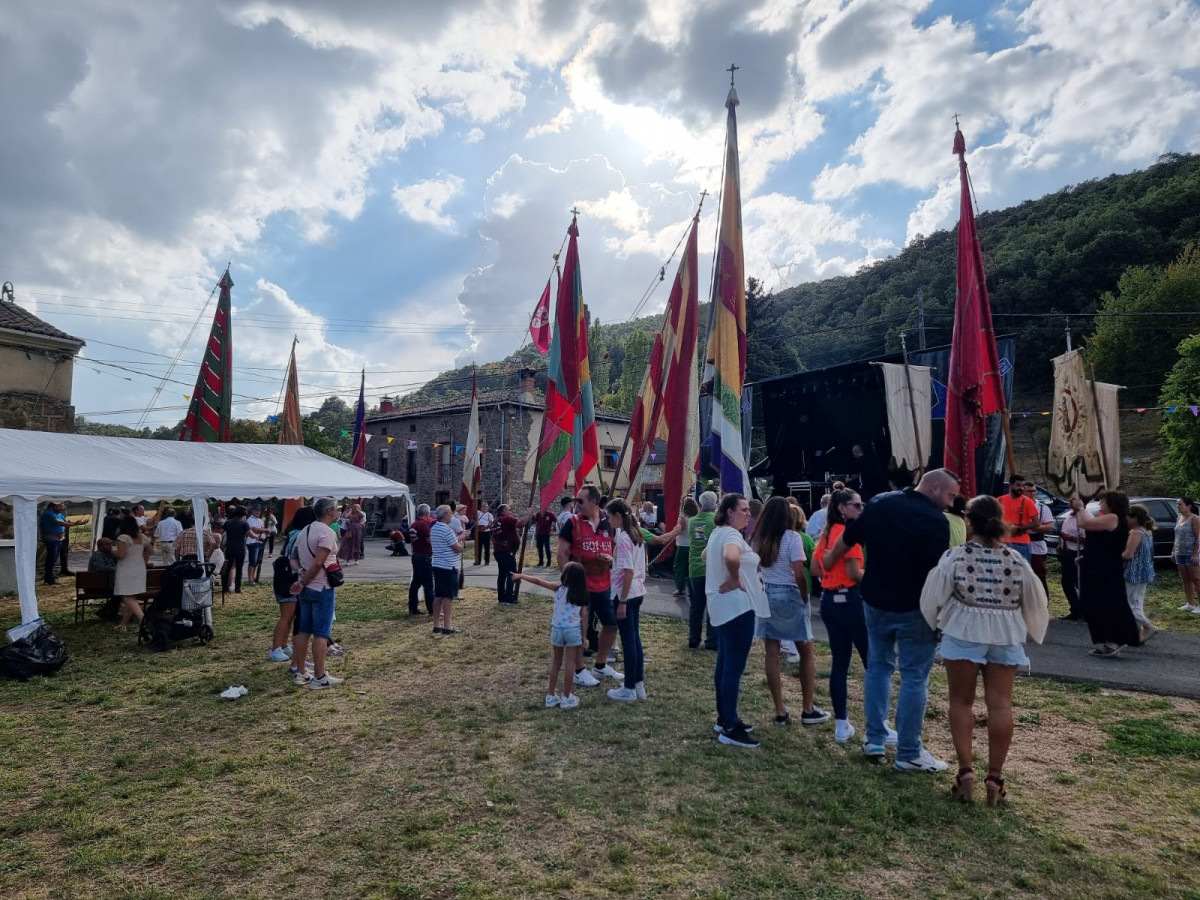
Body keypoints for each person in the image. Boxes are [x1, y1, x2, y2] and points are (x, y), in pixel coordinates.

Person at [823, 468, 959, 772]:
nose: (951, 503)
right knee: (913, 676)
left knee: (878, 667)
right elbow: (937, 574)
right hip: (914, 608)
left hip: (874, 602)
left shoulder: (880, 503)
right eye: (950, 495)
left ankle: (874, 737)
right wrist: (941, 616)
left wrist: (831, 558)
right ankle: (909, 751)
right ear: (935, 489)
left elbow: (850, 535)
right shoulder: (936, 521)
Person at [920, 495, 1049, 806]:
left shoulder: (956, 556)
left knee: (961, 702)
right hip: (1005, 634)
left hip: (963, 630)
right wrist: (1028, 627)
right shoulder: (1015, 559)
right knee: (1001, 704)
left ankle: (965, 774)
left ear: (968, 521)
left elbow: (932, 597)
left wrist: (936, 621)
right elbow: (1036, 601)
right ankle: (995, 778)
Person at [752, 496, 828, 727]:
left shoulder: (758, 539)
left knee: (771, 653)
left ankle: (780, 710)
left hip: (767, 595)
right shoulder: (792, 538)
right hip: (789, 594)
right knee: (806, 651)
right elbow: (798, 572)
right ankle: (807, 708)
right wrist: (804, 596)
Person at [705, 493, 769, 748]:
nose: (748, 514)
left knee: (724, 664)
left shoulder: (718, 533)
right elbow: (730, 557)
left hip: (722, 607)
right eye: (743, 509)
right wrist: (734, 577)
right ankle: (729, 726)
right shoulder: (731, 535)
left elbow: (706, 557)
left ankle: (725, 718)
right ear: (729, 511)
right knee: (733, 667)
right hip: (736, 607)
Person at [810, 487, 873, 744]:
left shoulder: (826, 535)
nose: (861, 509)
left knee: (840, 663)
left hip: (828, 600)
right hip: (850, 600)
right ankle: (876, 725)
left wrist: (830, 574)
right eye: (857, 505)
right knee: (873, 663)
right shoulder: (850, 535)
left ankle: (841, 725)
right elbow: (855, 573)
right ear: (842, 508)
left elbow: (815, 567)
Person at [557, 485, 619, 686]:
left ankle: (600, 665)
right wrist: (568, 580)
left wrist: (608, 559)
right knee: (579, 631)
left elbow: (614, 548)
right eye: (575, 501)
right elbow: (562, 553)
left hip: (604, 583)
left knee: (611, 625)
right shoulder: (572, 523)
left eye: (580, 501)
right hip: (581, 586)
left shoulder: (608, 521)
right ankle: (579, 670)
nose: (576, 504)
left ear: (593, 501)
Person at [1071, 490, 1141, 656]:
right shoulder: (1107, 518)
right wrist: (1085, 557)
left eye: (1103, 501)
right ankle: (1106, 640)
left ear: (1111, 503)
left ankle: (1115, 640)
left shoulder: (1113, 518)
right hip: (1096, 564)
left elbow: (1085, 524)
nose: (1100, 503)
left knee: (1107, 602)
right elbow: (1100, 542)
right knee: (1092, 603)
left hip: (1106, 568)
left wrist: (1080, 508)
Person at [514, 562, 588, 709]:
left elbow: (538, 581)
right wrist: (584, 636)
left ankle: (550, 695)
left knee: (556, 662)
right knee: (570, 664)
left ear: (565, 576)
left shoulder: (558, 588)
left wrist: (521, 575)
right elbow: (584, 617)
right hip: (572, 631)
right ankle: (567, 697)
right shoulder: (583, 594)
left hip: (557, 630)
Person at [287, 497, 343, 689]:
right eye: (336, 509)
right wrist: (303, 580)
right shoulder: (326, 532)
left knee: (303, 630)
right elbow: (319, 562)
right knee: (321, 633)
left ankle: (301, 672)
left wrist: (301, 574)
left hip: (307, 589)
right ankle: (320, 676)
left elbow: (293, 559)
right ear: (329, 511)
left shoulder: (305, 530)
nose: (338, 512)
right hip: (321, 587)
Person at [604, 499, 648, 702]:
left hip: (626, 594)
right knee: (634, 640)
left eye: (609, 516)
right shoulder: (635, 533)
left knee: (629, 641)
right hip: (637, 592)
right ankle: (637, 683)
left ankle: (629, 688)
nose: (607, 520)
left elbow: (628, 571)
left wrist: (622, 601)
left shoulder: (623, 538)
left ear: (618, 516)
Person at [270, 505, 317, 663]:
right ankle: (275, 648)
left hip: (286, 578)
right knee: (287, 616)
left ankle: (283, 645)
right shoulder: (301, 536)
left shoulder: (294, 533)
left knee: (290, 617)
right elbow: (295, 559)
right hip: (289, 580)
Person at [686, 491, 720, 651]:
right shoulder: (716, 522)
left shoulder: (692, 521)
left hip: (694, 567)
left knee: (696, 607)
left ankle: (694, 639)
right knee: (713, 607)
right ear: (715, 504)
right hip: (712, 569)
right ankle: (712, 641)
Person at [1123, 504, 1160, 643]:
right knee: (1137, 603)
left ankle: (1148, 626)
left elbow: (1128, 554)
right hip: (1144, 571)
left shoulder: (1135, 532)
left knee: (1129, 604)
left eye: (1127, 516)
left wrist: (1114, 556)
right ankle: (1138, 633)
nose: (1125, 519)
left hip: (1134, 571)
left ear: (1134, 518)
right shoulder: (1147, 531)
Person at [113, 514, 153, 633]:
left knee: (125, 595)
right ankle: (123, 624)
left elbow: (121, 555)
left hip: (126, 567)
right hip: (139, 567)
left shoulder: (123, 538)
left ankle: (143, 620)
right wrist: (144, 559)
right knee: (132, 596)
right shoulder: (142, 537)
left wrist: (110, 550)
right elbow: (151, 550)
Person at [431, 505, 465, 634]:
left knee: (438, 595)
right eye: (451, 513)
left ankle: (436, 625)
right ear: (444, 515)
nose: (452, 515)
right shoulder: (447, 529)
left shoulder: (434, 528)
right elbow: (457, 548)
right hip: (448, 567)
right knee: (448, 597)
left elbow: (449, 542)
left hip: (438, 565)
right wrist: (462, 542)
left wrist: (461, 537)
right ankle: (447, 626)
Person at [39, 501, 87, 585]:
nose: (62, 508)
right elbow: (61, 523)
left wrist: (80, 523)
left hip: (58, 539)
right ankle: (48, 578)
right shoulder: (48, 514)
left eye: (62, 506)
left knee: (54, 558)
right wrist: (75, 524)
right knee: (51, 558)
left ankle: (50, 574)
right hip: (51, 539)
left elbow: (66, 522)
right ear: (52, 506)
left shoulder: (59, 513)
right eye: (59, 506)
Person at [491, 504, 529, 604]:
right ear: (503, 511)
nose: (510, 511)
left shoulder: (495, 522)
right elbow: (521, 523)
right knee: (512, 574)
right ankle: (509, 598)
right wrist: (528, 514)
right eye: (509, 509)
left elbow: (493, 538)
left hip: (499, 551)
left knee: (502, 575)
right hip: (506, 551)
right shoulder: (506, 519)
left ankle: (502, 598)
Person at [997, 475, 1040, 563]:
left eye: (1023, 485)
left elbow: (1036, 523)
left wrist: (1019, 528)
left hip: (1021, 543)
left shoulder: (1028, 502)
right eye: (1018, 485)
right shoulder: (999, 500)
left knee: (1022, 572)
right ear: (1011, 485)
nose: (1021, 488)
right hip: (1002, 542)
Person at [1023, 484, 1054, 595]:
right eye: (1029, 491)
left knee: (1039, 577)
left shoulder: (1042, 508)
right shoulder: (1020, 507)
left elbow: (1049, 527)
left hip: (1038, 546)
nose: (1032, 493)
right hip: (1022, 545)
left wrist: (1031, 527)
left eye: (1034, 491)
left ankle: (1044, 605)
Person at [407, 504, 435, 616]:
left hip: (416, 555)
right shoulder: (423, 525)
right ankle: (432, 609)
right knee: (428, 584)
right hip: (424, 556)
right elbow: (429, 540)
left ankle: (413, 607)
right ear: (426, 513)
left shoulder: (413, 524)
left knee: (416, 583)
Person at [1173, 498, 1200, 612]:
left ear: (1188, 506)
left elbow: (1199, 537)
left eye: (1180, 504)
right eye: (1177, 504)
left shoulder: (1195, 518)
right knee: (1185, 579)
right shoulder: (1179, 518)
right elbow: (1176, 537)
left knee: (1196, 578)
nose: (1178, 506)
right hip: (1180, 552)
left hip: (1191, 552)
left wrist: (1195, 553)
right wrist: (1174, 551)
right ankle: (1190, 603)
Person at [1058, 506, 1085, 620]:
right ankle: (1075, 610)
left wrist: (1070, 537)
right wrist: (1061, 544)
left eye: (1073, 500)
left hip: (1078, 554)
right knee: (1066, 583)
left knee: (1080, 583)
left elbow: (1087, 539)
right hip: (1067, 553)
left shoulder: (1084, 517)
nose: (1070, 503)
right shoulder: (1069, 516)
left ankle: (1086, 611)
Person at [673, 497, 699, 597]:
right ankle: (692, 587)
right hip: (692, 544)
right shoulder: (696, 517)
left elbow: (679, 530)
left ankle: (680, 588)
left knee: (679, 567)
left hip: (683, 544)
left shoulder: (683, 518)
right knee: (690, 568)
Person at [222, 506, 250, 593]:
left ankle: (225, 587)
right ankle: (238, 588)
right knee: (239, 569)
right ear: (243, 514)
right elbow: (251, 534)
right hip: (240, 548)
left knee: (227, 567)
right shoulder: (244, 523)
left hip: (230, 548)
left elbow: (221, 533)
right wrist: (258, 536)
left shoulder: (228, 522)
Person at [475, 501, 495, 566]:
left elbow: (491, 523)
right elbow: (475, 519)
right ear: (481, 507)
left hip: (486, 532)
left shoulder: (489, 515)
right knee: (478, 547)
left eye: (485, 507)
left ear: (487, 508)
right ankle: (478, 561)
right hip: (479, 532)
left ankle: (487, 561)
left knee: (487, 547)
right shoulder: (478, 513)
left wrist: (486, 527)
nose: (484, 508)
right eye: (483, 506)